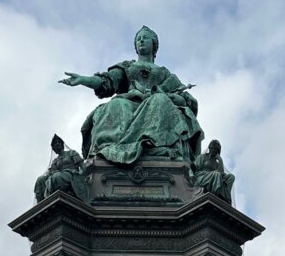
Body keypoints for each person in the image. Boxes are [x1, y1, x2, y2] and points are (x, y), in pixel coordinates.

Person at [59, 25, 203, 165]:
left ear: (154, 44)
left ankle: (152, 144)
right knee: (116, 104)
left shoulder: (165, 73)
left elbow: (182, 98)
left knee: (159, 100)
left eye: (145, 38)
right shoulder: (128, 66)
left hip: (156, 103)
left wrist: (172, 97)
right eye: (138, 39)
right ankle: (110, 148)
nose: (141, 40)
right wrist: (83, 80)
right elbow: (107, 81)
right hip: (130, 101)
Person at [33, 134, 88, 202]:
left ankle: (61, 196)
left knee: (56, 177)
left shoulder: (71, 153)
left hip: (72, 174)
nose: (57, 143)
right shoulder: (55, 160)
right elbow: (51, 171)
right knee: (40, 179)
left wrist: (83, 174)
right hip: (60, 174)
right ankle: (42, 202)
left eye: (58, 142)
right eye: (55, 143)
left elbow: (82, 165)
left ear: (62, 144)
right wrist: (45, 176)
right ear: (54, 148)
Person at [192, 139, 235, 204]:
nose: (213, 150)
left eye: (216, 149)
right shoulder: (202, 157)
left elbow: (222, 174)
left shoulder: (216, 163)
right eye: (212, 148)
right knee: (216, 174)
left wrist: (220, 160)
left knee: (231, 177)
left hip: (214, 177)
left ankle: (225, 197)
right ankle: (216, 195)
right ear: (209, 148)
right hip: (201, 176)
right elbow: (195, 168)